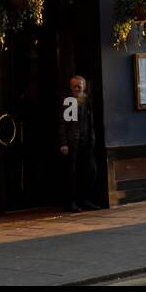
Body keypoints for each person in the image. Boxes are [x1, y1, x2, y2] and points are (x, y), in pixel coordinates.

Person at [58, 75, 100, 212]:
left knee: (89, 171)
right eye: (74, 86)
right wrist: (64, 143)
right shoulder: (70, 101)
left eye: (79, 86)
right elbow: (63, 124)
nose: (77, 88)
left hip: (86, 142)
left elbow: (90, 121)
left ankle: (85, 200)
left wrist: (92, 138)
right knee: (72, 174)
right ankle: (71, 202)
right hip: (73, 143)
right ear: (71, 87)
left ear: (84, 86)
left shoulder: (86, 100)